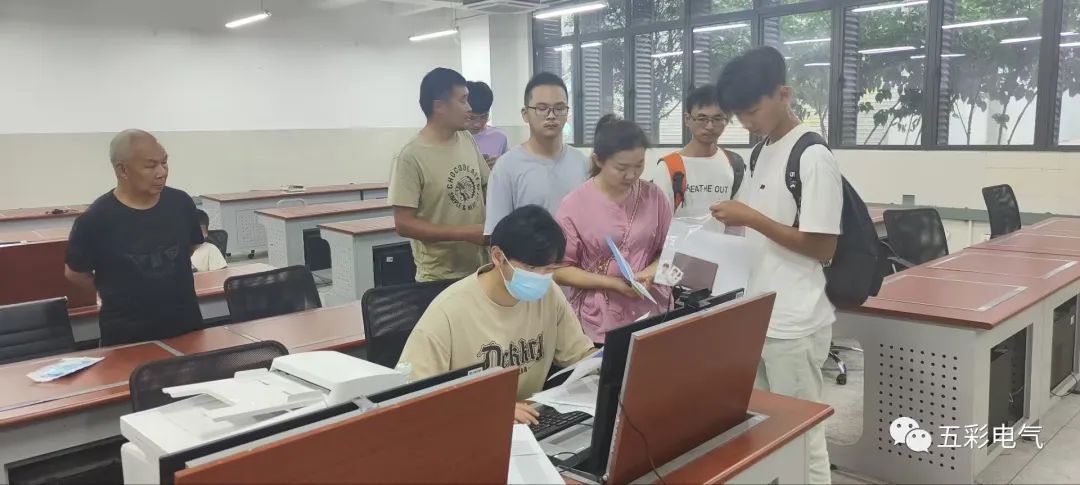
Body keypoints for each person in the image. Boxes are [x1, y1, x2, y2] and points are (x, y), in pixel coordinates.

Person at [712, 46, 843, 485]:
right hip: (760, 314)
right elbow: (758, 232)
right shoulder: (761, 151)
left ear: (783, 94)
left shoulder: (811, 155)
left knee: (802, 436)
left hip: (795, 322)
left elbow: (823, 245)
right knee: (764, 434)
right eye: (739, 115)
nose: (746, 123)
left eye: (752, 111)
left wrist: (750, 218)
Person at [398, 205, 596, 424]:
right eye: (531, 268)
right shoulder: (447, 311)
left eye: (549, 269)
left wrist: (608, 363)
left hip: (528, 419)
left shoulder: (549, 294)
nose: (540, 277)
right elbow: (411, 400)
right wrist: (493, 409)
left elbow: (581, 356)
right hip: (467, 423)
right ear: (497, 256)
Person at [64, 129, 205, 346]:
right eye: (150, 166)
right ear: (123, 170)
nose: (162, 172)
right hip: (128, 335)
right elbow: (75, 273)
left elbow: (190, 247)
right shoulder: (96, 219)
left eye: (164, 163)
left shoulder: (181, 203)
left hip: (186, 326)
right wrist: (115, 293)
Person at [554, 115, 673, 344]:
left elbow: (672, 250)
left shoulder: (654, 196)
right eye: (621, 168)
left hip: (653, 313)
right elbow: (560, 270)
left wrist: (650, 272)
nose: (632, 175)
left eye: (639, 165)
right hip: (600, 322)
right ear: (598, 160)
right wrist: (612, 284)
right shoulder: (574, 205)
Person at [389, 67, 490, 282]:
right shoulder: (410, 155)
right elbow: (403, 224)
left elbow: (485, 185)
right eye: (463, 100)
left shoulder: (466, 139)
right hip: (439, 277)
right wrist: (465, 233)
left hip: (480, 269)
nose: (469, 108)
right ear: (440, 106)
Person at [484, 72, 589, 235]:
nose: (551, 116)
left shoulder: (582, 162)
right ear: (525, 114)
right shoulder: (506, 167)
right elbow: (496, 233)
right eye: (542, 108)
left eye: (559, 108)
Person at [644, 84, 745, 227]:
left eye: (717, 119)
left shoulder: (734, 164)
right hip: (679, 242)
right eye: (702, 118)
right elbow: (658, 224)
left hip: (723, 242)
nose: (709, 126)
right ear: (687, 119)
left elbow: (739, 220)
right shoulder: (669, 167)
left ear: (726, 120)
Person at [465, 80, 509, 166]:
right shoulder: (451, 138)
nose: (478, 124)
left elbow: (509, 169)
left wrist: (499, 166)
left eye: (484, 116)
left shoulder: (499, 138)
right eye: (472, 118)